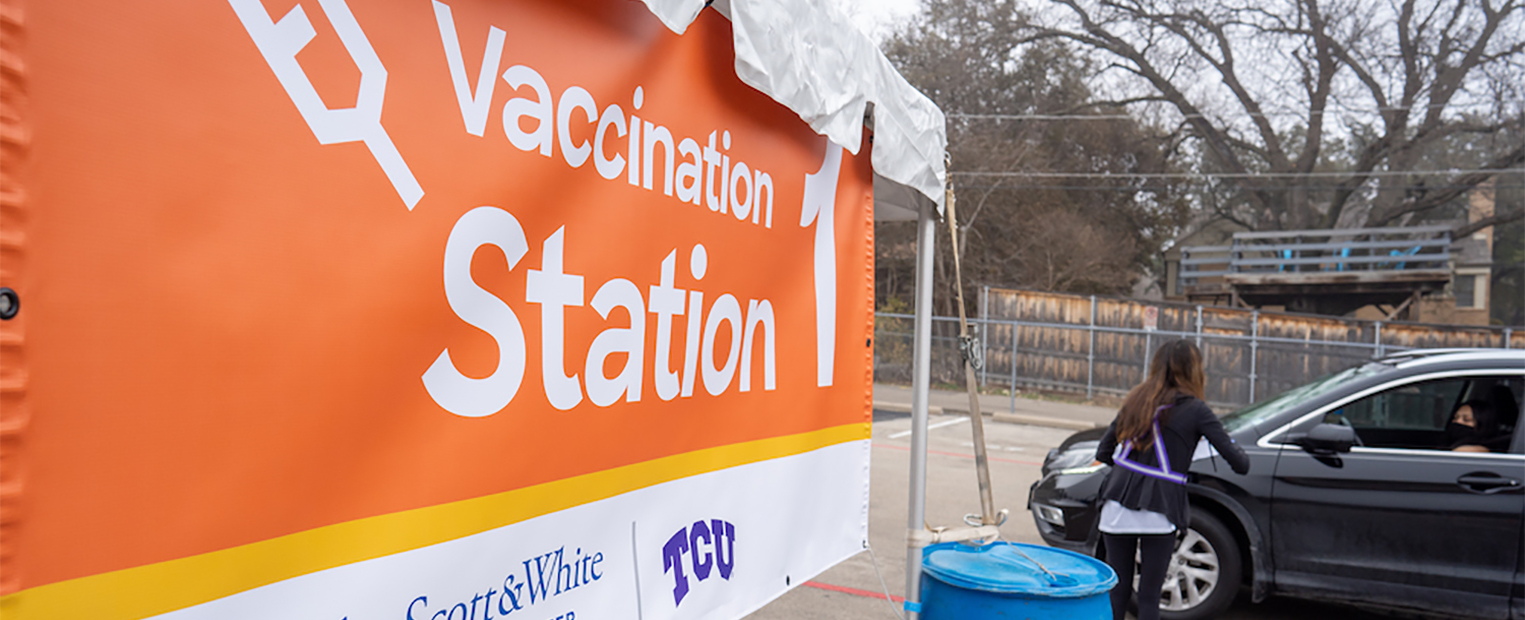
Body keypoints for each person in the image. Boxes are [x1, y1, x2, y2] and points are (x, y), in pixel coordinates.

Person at [1094, 340, 1250, 620]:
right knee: (1150, 597)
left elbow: (1104, 452)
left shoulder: (1136, 399)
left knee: (1116, 592)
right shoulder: (1196, 410)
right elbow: (1240, 464)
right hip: (1160, 506)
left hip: (1116, 503)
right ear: (1194, 370)